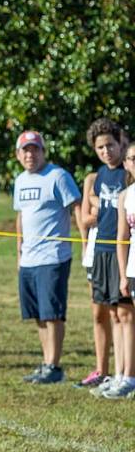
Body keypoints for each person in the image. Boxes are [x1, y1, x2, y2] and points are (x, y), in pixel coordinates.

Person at [13, 131, 81, 384]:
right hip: (28, 258)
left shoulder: (58, 176)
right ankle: (45, 363)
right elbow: (21, 217)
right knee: (39, 315)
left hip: (53, 256)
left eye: (35, 149)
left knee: (52, 313)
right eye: (25, 150)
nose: (30, 154)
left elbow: (76, 209)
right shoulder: (20, 180)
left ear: (43, 151)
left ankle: (54, 365)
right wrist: (19, 253)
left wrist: (85, 243)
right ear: (19, 155)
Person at [79, 118, 131, 396]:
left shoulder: (128, 172)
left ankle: (127, 375)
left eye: (110, 145)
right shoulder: (99, 176)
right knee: (111, 312)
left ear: (120, 142)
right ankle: (117, 372)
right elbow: (89, 214)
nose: (106, 151)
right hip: (101, 251)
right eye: (100, 147)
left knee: (125, 312)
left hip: (121, 250)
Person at [112, 142, 135, 398]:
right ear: (126, 164)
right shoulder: (126, 196)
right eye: (132, 159)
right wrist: (123, 274)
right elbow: (122, 237)